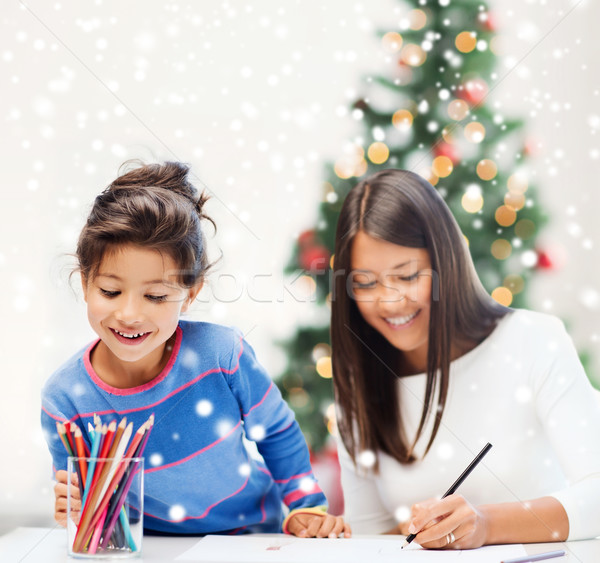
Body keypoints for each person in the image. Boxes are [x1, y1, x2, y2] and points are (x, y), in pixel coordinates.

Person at [41, 161, 351, 539]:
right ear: (85, 281)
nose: (130, 314)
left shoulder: (222, 355)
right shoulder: (64, 399)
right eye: (110, 291)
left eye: (155, 296)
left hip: (251, 536)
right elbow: (87, 511)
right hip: (148, 548)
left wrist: (306, 505)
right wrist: (75, 510)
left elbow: (276, 431)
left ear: (191, 293)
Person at [330, 168, 600, 549]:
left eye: (407, 276)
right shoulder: (359, 383)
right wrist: (333, 533)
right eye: (366, 283)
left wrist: (487, 524)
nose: (389, 301)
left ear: (446, 264)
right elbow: (372, 536)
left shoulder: (535, 340)